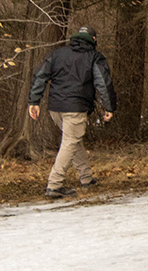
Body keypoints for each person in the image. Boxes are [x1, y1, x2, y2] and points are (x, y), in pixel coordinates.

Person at [28, 26, 116, 198]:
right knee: (70, 142)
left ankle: (86, 178)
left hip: (55, 108)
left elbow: (40, 76)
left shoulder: (57, 54)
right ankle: (54, 185)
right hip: (75, 107)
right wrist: (109, 106)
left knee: (74, 140)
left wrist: (34, 101)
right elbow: (103, 83)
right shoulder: (94, 57)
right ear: (94, 39)